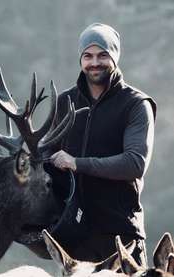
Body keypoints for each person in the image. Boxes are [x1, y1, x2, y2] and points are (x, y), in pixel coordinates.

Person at [48, 23, 156, 266]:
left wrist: (77, 163)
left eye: (102, 55)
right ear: (81, 60)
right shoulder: (65, 102)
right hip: (74, 240)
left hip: (122, 239)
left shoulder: (136, 105)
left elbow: (134, 163)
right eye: (88, 56)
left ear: (115, 57)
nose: (94, 62)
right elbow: (47, 157)